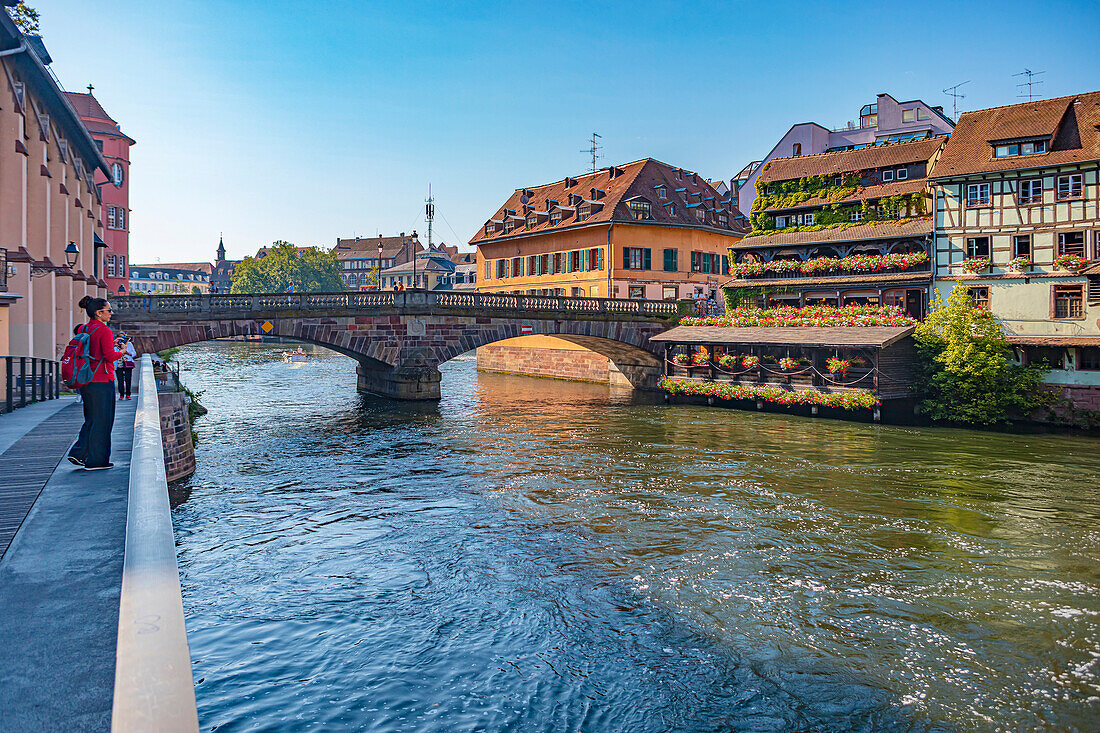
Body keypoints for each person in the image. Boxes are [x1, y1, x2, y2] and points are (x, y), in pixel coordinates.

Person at [67, 296, 126, 470]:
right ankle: (97, 461)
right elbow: (108, 357)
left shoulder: (85, 328)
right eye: (108, 310)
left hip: (86, 380)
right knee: (103, 421)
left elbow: (93, 350)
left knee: (91, 419)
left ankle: (78, 453)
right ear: (99, 313)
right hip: (102, 380)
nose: (111, 313)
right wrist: (121, 351)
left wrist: (111, 344)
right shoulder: (104, 330)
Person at [115, 334, 137, 400]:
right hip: (119, 364)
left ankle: (128, 394)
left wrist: (127, 353)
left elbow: (134, 354)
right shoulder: (115, 345)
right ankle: (121, 394)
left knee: (128, 379)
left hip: (127, 364)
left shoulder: (129, 344)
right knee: (120, 380)